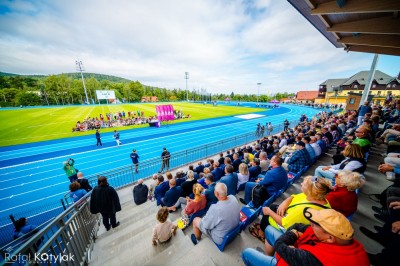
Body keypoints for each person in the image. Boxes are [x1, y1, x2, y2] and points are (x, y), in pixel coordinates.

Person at [242, 208, 370, 266]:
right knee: (269, 229)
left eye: (315, 224)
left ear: (330, 238)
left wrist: (293, 236)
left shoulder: (315, 259)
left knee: (246, 253)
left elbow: (280, 246)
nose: (311, 224)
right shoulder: (345, 241)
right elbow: (297, 226)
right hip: (295, 249)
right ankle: (268, 256)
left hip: (288, 255)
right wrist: (294, 236)